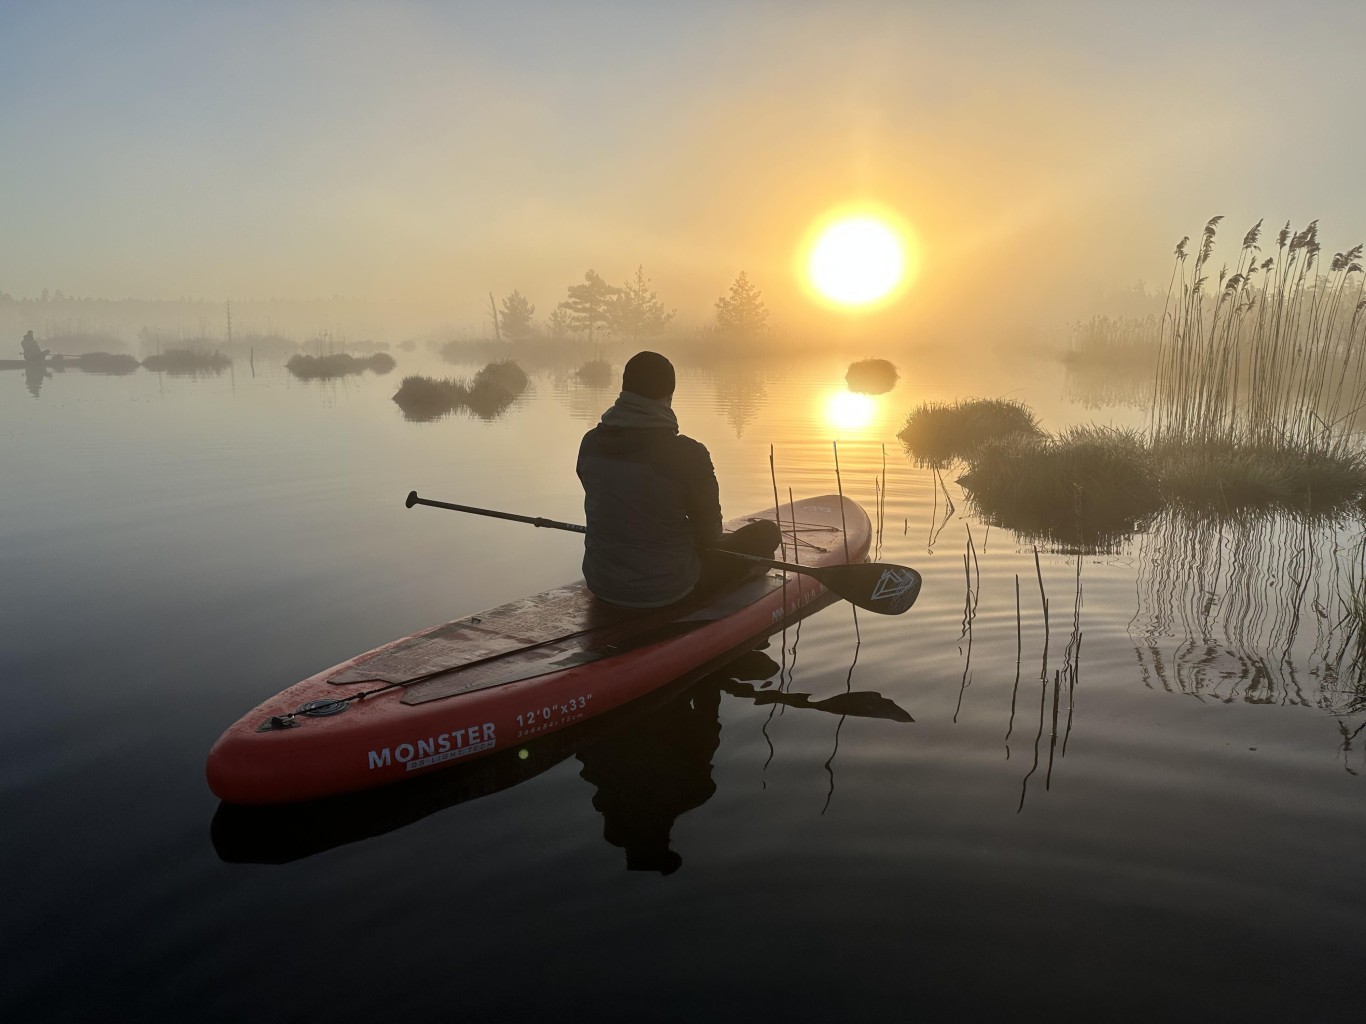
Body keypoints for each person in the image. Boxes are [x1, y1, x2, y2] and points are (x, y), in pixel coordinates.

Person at [576, 350, 780, 607]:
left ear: (624, 391)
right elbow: (710, 536)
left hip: (600, 583)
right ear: (669, 396)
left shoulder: (590, 443)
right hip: (668, 589)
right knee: (767, 535)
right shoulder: (689, 454)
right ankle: (743, 579)